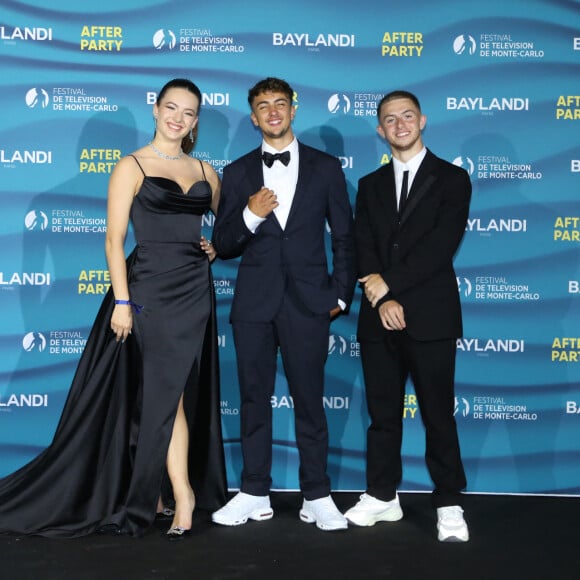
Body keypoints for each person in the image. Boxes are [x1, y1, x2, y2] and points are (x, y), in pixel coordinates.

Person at [0, 78, 227, 539]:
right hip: (147, 292)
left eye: (188, 112)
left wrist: (211, 248)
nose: (178, 118)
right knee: (166, 394)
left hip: (194, 292)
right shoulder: (131, 166)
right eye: (171, 107)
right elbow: (113, 239)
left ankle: (165, 492)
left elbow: (208, 228)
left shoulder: (207, 172)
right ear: (156, 109)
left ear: (196, 120)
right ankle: (179, 495)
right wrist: (122, 301)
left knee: (177, 393)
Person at [211, 77, 356, 531]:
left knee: (310, 400)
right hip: (254, 304)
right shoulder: (235, 173)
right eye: (262, 106)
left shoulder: (327, 167)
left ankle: (317, 494)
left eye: (279, 104)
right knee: (254, 400)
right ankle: (254, 490)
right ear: (253, 118)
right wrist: (251, 214)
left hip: (309, 302)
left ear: (293, 110)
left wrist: (339, 293)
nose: (272, 112)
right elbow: (223, 243)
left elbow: (346, 238)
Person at [344, 90, 471, 542]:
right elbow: (363, 247)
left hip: (431, 316)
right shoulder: (369, 185)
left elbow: (440, 247)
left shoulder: (453, 179)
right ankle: (382, 496)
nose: (399, 124)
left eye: (407, 116)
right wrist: (381, 300)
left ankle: (450, 501)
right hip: (379, 316)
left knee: (438, 414)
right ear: (380, 130)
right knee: (382, 415)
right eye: (390, 119)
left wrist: (390, 286)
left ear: (423, 121)